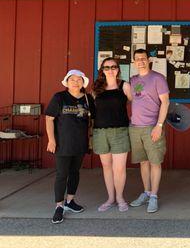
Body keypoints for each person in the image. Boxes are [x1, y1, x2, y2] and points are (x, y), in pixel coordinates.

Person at [44, 69, 95, 224]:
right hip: (63, 144)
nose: (75, 82)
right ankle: (59, 206)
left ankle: (70, 201)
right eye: (72, 79)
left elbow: (92, 119)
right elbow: (49, 119)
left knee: (75, 173)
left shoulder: (87, 99)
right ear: (67, 81)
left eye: (79, 79)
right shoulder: (59, 97)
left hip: (80, 143)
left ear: (83, 82)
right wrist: (51, 140)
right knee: (62, 174)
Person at [128, 49, 170, 213]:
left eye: (143, 58)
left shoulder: (158, 78)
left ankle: (154, 196)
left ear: (148, 60)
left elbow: (165, 102)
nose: (140, 61)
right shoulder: (133, 80)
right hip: (135, 128)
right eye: (137, 59)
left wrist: (159, 126)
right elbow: (132, 99)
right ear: (134, 62)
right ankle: (146, 192)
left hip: (152, 127)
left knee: (155, 162)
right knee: (143, 162)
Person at [92, 58, 132, 212]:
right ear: (102, 70)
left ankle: (120, 197)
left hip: (120, 131)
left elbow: (137, 103)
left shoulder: (125, 86)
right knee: (106, 166)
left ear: (118, 69)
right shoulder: (96, 89)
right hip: (100, 132)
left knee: (120, 168)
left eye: (113, 67)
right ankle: (110, 198)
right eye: (107, 67)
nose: (110, 70)